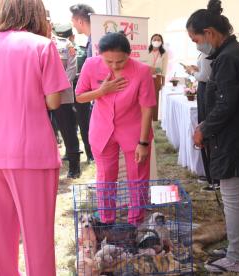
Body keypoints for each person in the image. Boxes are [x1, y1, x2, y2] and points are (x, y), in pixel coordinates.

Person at [0, 0, 70, 275]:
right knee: (38, 237)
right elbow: (54, 101)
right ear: (34, 13)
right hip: (32, 151)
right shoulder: (42, 46)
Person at [187, 0, 239, 272]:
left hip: (235, 138)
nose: (196, 44)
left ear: (209, 33)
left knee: (233, 197)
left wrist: (203, 128)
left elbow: (225, 104)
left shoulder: (228, 57)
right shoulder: (236, 52)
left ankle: (236, 258)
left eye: (195, 38)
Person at [75, 32, 156, 226]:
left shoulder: (142, 71)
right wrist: (102, 91)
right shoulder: (91, 65)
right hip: (102, 130)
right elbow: (79, 96)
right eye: (108, 61)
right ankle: (106, 222)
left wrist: (143, 142)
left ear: (129, 54)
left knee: (137, 178)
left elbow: (147, 109)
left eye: (119, 61)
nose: (113, 65)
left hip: (133, 131)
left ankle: (135, 223)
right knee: (105, 177)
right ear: (100, 54)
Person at [52, 24, 82, 179]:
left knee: (68, 131)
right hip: (39, 97)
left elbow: (71, 68)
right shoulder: (30, 44)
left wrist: (57, 87)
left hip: (62, 96)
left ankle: (74, 166)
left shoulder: (65, 44)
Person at [185, 53, 216, 189]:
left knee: (206, 130)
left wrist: (193, 72)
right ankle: (210, 173)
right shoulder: (204, 52)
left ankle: (214, 177)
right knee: (204, 130)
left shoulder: (208, 52)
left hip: (207, 90)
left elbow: (205, 76)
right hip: (204, 90)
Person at [70, 3, 95, 163]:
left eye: (72, 20)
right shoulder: (92, 39)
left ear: (79, 21)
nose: (72, 24)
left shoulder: (94, 42)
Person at [147, 34, 168, 121]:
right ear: (151, 41)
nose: (156, 41)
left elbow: (164, 68)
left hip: (157, 78)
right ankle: (146, 118)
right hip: (146, 77)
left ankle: (154, 119)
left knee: (155, 99)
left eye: (158, 40)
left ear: (161, 42)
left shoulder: (164, 53)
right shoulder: (147, 51)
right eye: (154, 39)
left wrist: (163, 82)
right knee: (146, 98)